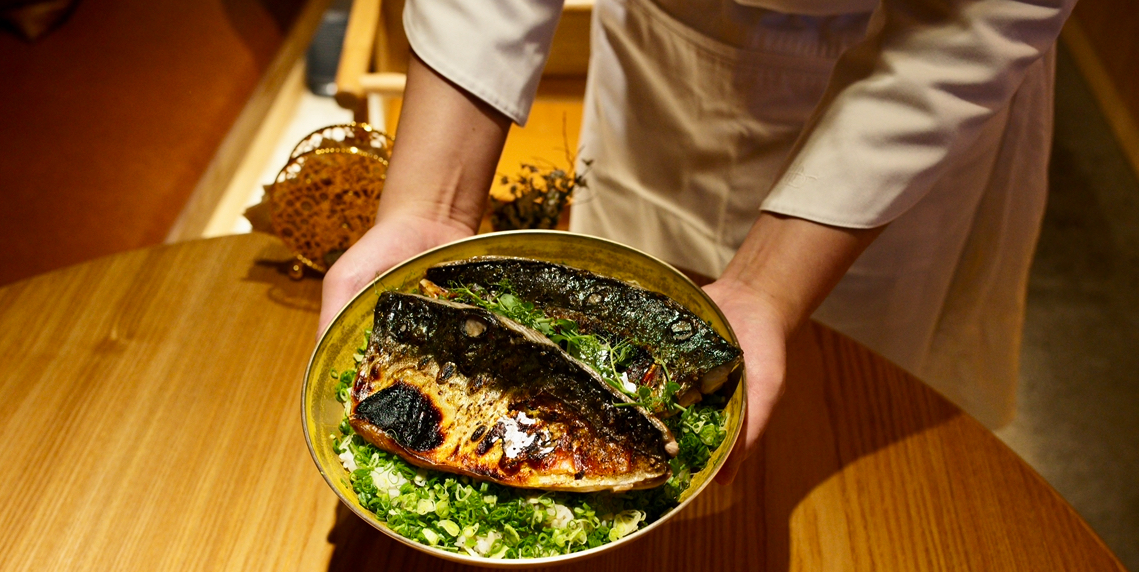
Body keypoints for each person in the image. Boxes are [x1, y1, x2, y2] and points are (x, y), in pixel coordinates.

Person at [317, 0, 1075, 472]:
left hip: (916, 77)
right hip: (664, 50)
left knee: (841, 408)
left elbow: (986, 16)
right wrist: (432, 206)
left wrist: (773, 289)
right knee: (601, 346)